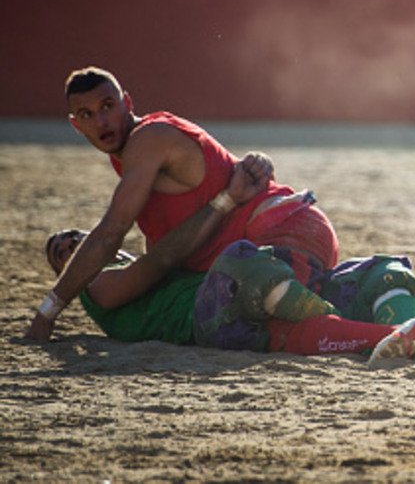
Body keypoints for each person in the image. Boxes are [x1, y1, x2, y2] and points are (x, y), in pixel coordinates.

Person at [26, 66, 341, 341]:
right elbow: (168, 253)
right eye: (87, 115)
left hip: (283, 235)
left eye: (108, 106)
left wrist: (48, 312)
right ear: (76, 125)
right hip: (281, 245)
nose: (102, 121)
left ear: (128, 103)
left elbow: (111, 233)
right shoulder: (131, 157)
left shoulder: (147, 141)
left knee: (292, 331)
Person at [44, 225, 415, 361]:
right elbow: (157, 263)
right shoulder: (94, 287)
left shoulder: (146, 259)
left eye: (75, 238)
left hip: (253, 297)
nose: (72, 246)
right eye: (63, 254)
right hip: (209, 320)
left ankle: (402, 335)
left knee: (384, 272)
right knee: (241, 261)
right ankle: (382, 338)